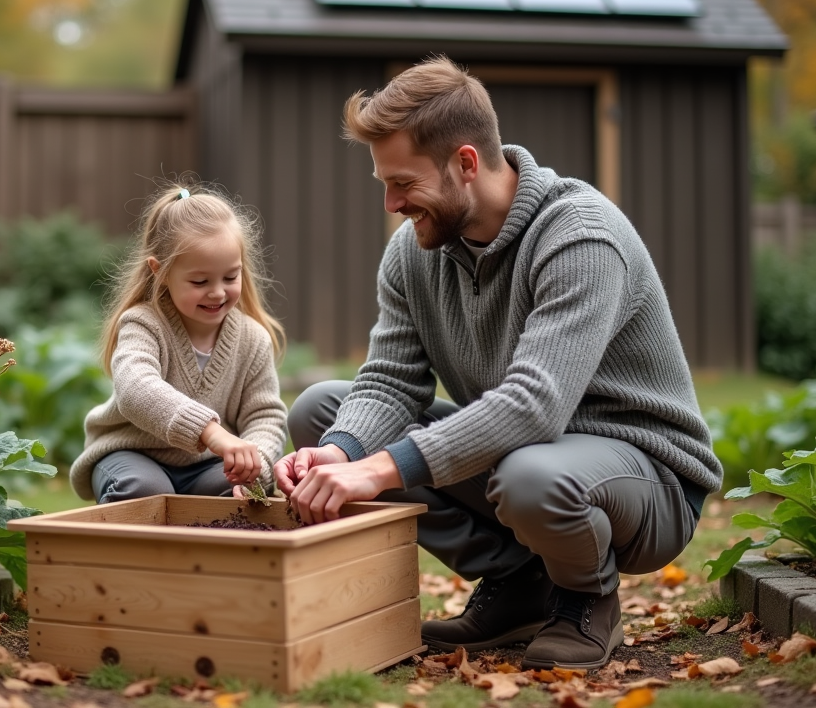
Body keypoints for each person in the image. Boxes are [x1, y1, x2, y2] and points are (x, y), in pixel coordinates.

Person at [275, 57, 722, 671]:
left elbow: (534, 405)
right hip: (527, 457)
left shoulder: (580, 235)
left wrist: (378, 470)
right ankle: (520, 585)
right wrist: (345, 452)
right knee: (322, 413)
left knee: (531, 476)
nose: (390, 202)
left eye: (403, 182)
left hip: (645, 478)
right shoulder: (414, 252)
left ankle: (586, 598)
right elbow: (388, 380)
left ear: (465, 162)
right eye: (384, 182)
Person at [70, 183, 287, 504]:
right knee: (146, 492)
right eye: (200, 281)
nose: (217, 292)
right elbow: (135, 389)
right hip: (133, 454)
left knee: (236, 497)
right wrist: (212, 433)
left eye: (230, 277)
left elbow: (265, 416)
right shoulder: (143, 323)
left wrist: (257, 464)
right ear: (161, 272)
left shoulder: (253, 339)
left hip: (206, 468)